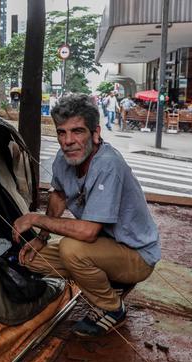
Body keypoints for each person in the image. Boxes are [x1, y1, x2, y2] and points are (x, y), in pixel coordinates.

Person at [12, 94, 161, 338]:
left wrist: (35, 218)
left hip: (137, 256)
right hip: (103, 247)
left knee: (72, 249)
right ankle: (106, 279)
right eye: (62, 132)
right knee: (32, 259)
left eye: (77, 131)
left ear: (95, 133)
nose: (68, 141)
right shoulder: (64, 158)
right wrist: (41, 237)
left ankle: (113, 308)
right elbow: (59, 195)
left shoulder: (108, 164)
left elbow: (88, 232)